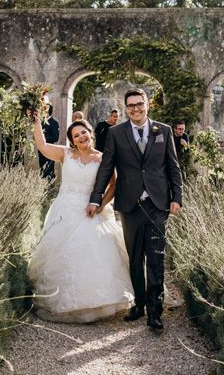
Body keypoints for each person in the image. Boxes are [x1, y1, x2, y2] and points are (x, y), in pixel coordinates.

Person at [87, 88, 182, 331]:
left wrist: (177, 198)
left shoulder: (165, 130)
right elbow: (106, 168)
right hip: (129, 205)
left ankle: (155, 312)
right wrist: (96, 198)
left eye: (139, 104)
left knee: (156, 258)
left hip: (158, 204)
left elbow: (173, 168)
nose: (135, 109)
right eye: (131, 106)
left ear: (147, 105)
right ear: (125, 107)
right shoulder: (116, 133)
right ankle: (139, 304)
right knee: (135, 258)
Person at [28, 114, 133, 322]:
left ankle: (96, 301)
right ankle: (62, 301)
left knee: (95, 251)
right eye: (76, 135)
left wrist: (102, 204)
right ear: (72, 140)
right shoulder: (65, 154)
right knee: (62, 252)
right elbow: (41, 145)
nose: (81, 137)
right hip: (65, 209)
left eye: (83, 132)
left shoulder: (103, 157)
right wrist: (37, 122)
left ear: (90, 133)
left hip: (90, 209)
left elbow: (114, 184)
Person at [38, 104, 59, 180]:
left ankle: (50, 189)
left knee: (49, 170)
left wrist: (43, 139)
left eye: (45, 109)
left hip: (50, 150)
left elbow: (55, 138)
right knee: (42, 170)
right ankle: (42, 189)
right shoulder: (40, 122)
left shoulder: (54, 122)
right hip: (41, 150)